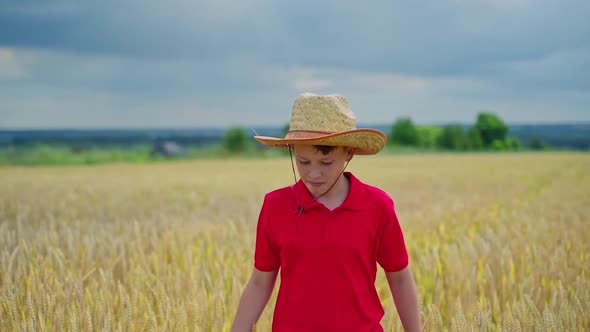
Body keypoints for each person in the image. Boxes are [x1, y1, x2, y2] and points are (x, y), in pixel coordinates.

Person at [231, 93, 421, 332]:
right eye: (304, 162)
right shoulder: (275, 205)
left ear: (349, 153)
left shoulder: (377, 206)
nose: (313, 174)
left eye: (326, 163)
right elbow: (260, 283)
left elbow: (400, 278)